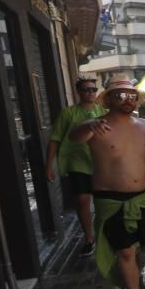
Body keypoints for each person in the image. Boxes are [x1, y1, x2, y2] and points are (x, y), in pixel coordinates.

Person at [68, 77, 145, 289]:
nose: (127, 100)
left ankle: (131, 274)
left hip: (143, 197)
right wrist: (89, 125)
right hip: (110, 200)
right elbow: (73, 136)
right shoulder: (97, 126)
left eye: (131, 95)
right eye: (119, 95)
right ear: (107, 99)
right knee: (125, 252)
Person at [47, 77, 107, 256]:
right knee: (82, 200)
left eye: (93, 89)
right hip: (76, 162)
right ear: (78, 92)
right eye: (86, 89)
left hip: (99, 163)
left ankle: (104, 236)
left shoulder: (102, 111)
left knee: (103, 202)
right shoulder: (68, 113)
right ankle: (89, 238)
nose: (90, 92)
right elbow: (55, 139)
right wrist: (49, 166)